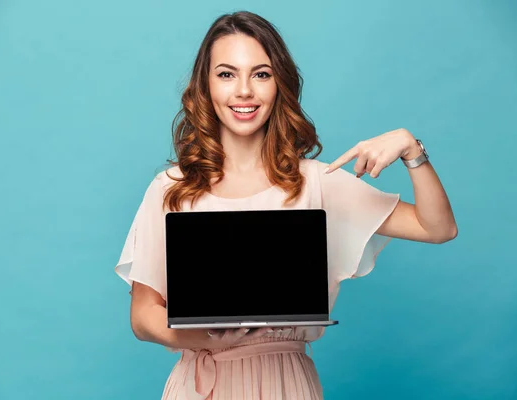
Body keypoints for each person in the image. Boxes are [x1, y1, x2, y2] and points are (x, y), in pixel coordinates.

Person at [114, 10, 457, 400]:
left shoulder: (317, 182)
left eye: (260, 74)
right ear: (205, 86)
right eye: (226, 74)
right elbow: (143, 315)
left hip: (285, 385)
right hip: (199, 384)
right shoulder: (171, 188)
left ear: (280, 84)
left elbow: (439, 228)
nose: (244, 91)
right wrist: (211, 336)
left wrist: (412, 150)